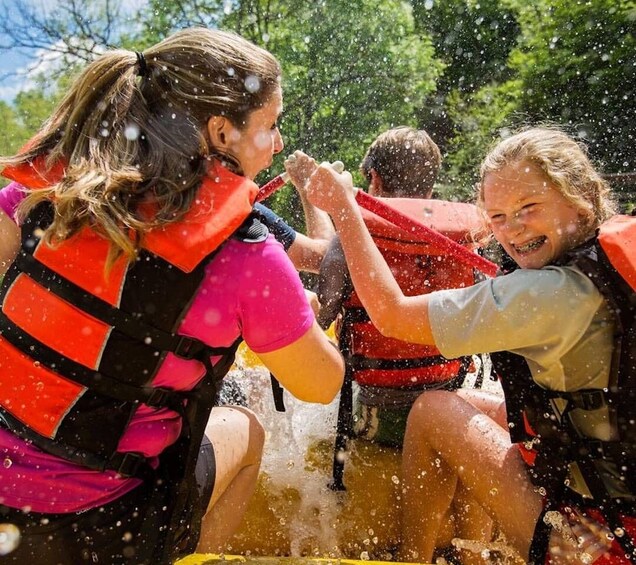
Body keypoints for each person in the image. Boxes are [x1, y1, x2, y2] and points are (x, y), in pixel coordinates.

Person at [0, 27, 344, 565]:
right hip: (106, 528)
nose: (277, 143)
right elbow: (321, 385)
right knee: (248, 434)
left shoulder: (44, 190)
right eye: (270, 125)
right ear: (221, 132)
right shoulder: (248, 254)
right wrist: (311, 325)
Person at [298, 126, 635, 564]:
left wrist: (344, 208)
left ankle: (413, 557)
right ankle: (474, 554)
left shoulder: (547, 294)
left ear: (580, 196)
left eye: (528, 207)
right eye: (497, 217)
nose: (512, 230)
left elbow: (392, 313)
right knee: (474, 402)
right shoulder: (610, 261)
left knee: (434, 409)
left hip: (600, 544)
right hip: (619, 502)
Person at [317, 126, 484, 457]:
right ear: (431, 185)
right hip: (451, 404)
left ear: (374, 180)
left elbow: (316, 323)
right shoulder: (463, 242)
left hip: (381, 416)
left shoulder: (349, 242)